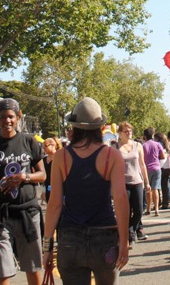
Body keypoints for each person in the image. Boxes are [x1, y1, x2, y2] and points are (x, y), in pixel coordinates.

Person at [43, 97, 129, 285]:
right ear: (100, 127)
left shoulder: (61, 157)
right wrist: (124, 241)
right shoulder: (112, 156)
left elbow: (55, 204)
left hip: (70, 239)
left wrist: (46, 246)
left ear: (74, 128)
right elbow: (121, 198)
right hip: (105, 238)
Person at [0, 98, 46, 285]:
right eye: (2, 117)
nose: (7, 121)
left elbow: (42, 175)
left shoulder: (29, 142)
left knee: (33, 267)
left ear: (18, 117)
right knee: (2, 271)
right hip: (0, 214)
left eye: (11, 117)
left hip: (28, 213)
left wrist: (24, 177)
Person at [116, 122, 150, 242]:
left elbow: (142, 164)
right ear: (120, 133)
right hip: (122, 183)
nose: (129, 133)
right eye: (126, 131)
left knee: (139, 211)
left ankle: (130, 230)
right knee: (126, 211)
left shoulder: (137, 145)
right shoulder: (115, 147)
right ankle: (128, 236)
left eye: (130, 131)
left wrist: (147, 182)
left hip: (137, 181)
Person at [142, 127, 164, 217]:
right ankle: (156, 209)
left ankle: (148, 209)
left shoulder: (143, 145)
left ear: (144, 136)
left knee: (148, 189)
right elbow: (162, 156)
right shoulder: (157, 144)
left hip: (148, 169)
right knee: (155, 189)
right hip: (157, 168)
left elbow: (141, 158)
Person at [41, 137, 61, 204]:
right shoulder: (44, 160)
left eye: (45, 146)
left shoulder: (59, 157)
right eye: (43, 146)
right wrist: (43, 191)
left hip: (58, 188)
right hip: (47, 188)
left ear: (53, 145)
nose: (44, 148)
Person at [156, 132, 170, 210]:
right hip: (167, 167)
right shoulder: (167, 145)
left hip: (160, 166)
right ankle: (165, 203)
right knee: (165, 185)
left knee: (158, 186)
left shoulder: (158, 145)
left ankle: (158, 202)